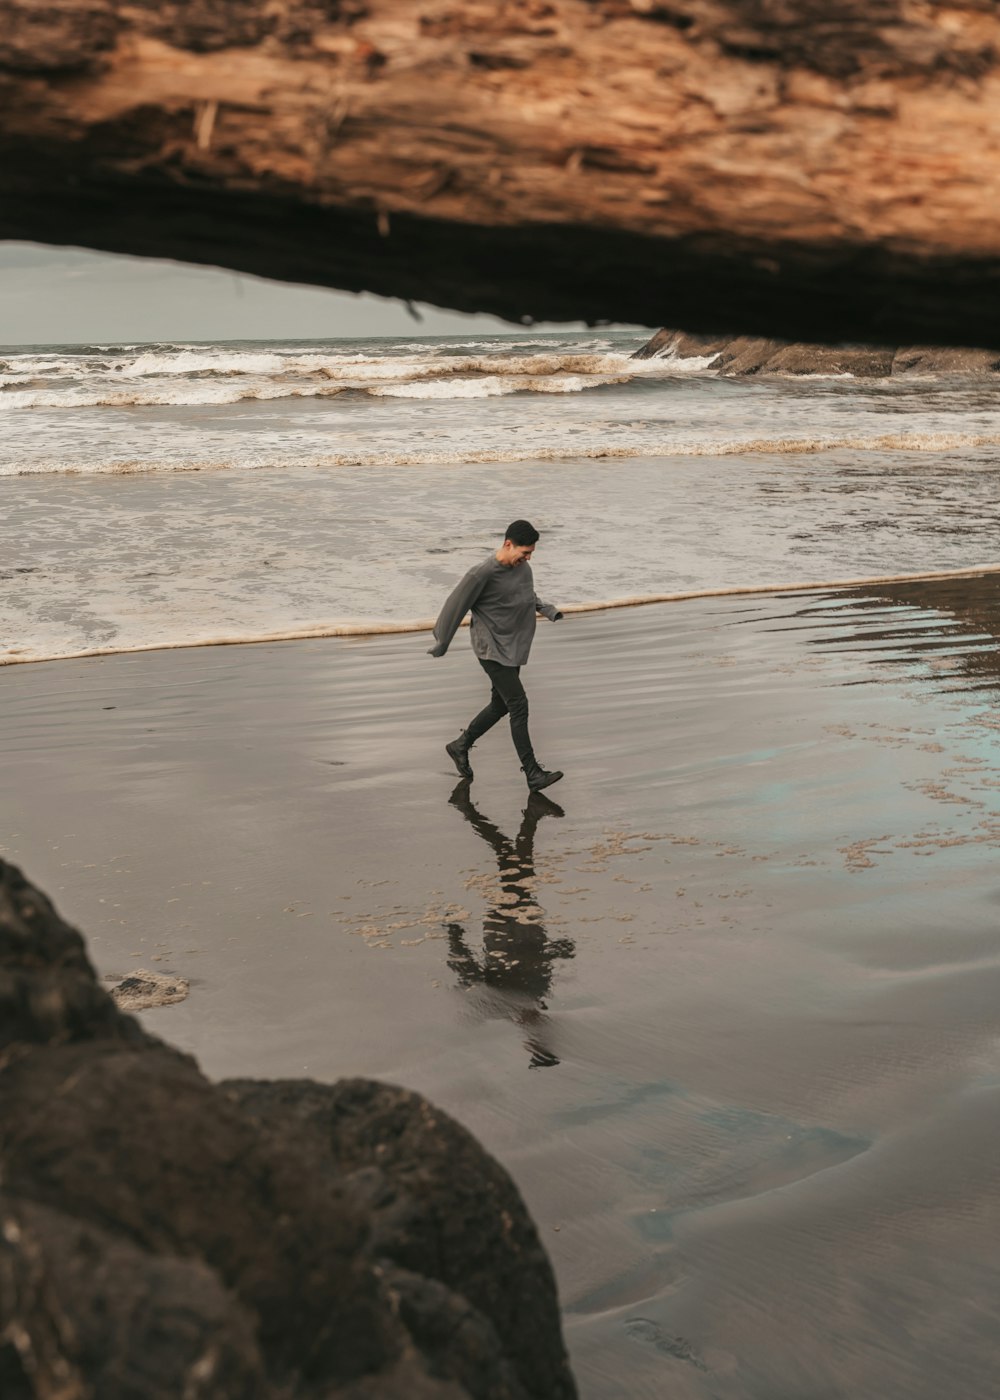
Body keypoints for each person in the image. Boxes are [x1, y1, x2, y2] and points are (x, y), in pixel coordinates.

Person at [427, 519, 564, 792]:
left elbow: (527, 596)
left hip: (513, 647)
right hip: (491, 649)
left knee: (501, 705)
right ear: (507, 544)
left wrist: (547, 609)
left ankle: (460, 745)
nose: (527, 558)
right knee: (518, 705)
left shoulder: (524, 569)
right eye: (524, 552)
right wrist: (442, 641)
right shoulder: (481, 574)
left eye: (531, 553)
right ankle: (533, 773)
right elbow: (454, 606)